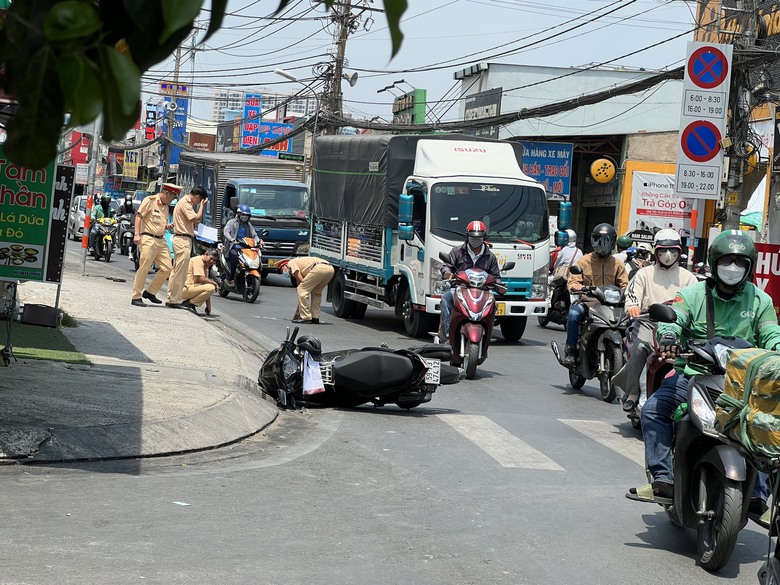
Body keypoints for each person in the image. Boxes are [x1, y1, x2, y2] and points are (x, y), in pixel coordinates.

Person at [628, 230, 780, 512]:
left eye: (740, 262)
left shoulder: (761, 301)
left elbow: (771, 334)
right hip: (694, 375)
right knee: (653, 410)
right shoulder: (692, 294)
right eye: (727, 260)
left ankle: (760, 494)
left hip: (743, 386)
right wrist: (671, 338)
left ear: (749, 267)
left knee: (765, 425)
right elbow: (676, 318)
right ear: (714, 261)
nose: (733, 267)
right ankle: (663, 478)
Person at [618, 229, 697, 411]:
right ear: (656, 252)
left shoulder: (689, 277)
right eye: (662, 251)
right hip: (648, 322)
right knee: (639, 349)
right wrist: (633, 306)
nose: (668, 255)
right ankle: (633, 392)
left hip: (678, 325)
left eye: (673, 251)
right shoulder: (644, 273)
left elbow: (697, 301)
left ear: (679, 252)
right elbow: (632, 295)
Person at [560, 223, 629, 367]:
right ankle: (571, 350)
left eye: (607, 241)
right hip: (588, 302)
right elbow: (573, 281)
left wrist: (628, 293)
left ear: (613, 242)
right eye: (599, 240)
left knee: (631, 321)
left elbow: (625, 285)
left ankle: (628, 352)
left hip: (611, 305)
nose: (603, 245)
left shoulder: (617, 264)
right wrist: (577, 287)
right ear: (593, 241)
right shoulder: (584, 261)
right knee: (573, 315)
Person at [438, 220, 502, 342]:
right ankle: (446, 336)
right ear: (467, 236)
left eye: (479, 237)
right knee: (446, 298)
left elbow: (496, 276)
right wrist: (447, 273)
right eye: (473, 236)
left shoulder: (490, 256)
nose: (476, 239)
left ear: (484, 236)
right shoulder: (457, 251)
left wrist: (499, 285)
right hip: (459, 289)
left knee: (493, 303)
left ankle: (487, 335)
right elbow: (446, 265)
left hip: (482, 292)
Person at [130, 183, 181, 307]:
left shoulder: (165, 206)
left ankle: (150, 292)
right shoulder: (150, 200)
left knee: (167, 267)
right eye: (172, 197)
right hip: (148, 238)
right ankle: (136, 296)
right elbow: (139, 217)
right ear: (166, 193)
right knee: (145, 267)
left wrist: (166, 226)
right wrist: (137, 234)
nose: (172, 200)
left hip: (161, 239)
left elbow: (157, 223)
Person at [166, 186, 208, 309]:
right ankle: (174, 299)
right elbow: (196, 219)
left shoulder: (184, 203)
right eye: (199, 201)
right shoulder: (185, 203)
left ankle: (171, 296)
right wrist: (202, 207)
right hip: (183, 239)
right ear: (197, 197)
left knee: (176, 270)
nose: (197, 204)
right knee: (181, 271)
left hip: (182, 238)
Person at [282, 256, 335, 324]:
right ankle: (315, 317)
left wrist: (298, 312)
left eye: (282, 269)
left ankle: (306, 317)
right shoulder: (301, 264)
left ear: (285, 265)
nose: (284, 271)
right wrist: (298, 310)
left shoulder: (291, 263)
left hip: (319, 268)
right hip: (330, 269)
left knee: (301, 290)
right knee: (316, 292)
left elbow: (302, 284)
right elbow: (303, 284)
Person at [222, 204, 258, 286]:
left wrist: (258, 241)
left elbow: (254, 235)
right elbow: (226, 232)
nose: (245, 217)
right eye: (243, 215)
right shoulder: (231, 222)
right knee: (234, 257)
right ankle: (231, 278)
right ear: (239, 214)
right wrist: (231, 239)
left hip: (245, 249)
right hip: (233, 247)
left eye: (247, 215)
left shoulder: (248, 225)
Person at [181, 249, 219, 315]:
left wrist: (208, 306)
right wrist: (215, 283)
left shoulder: (205, 266)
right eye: (211, 258)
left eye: (214, 260)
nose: (211, 261)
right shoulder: (198, 261)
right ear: (205, 255)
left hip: (190, 289)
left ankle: (191, 303)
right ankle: (190, 303)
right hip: (184, 289)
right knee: (211, 287)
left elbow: (205, 285)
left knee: (210, 287)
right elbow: (202, 280)